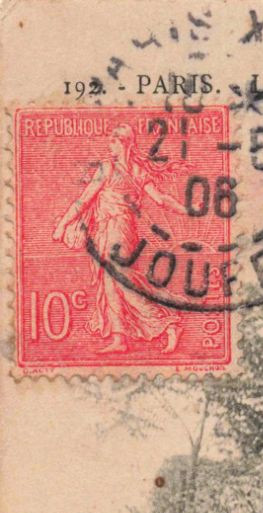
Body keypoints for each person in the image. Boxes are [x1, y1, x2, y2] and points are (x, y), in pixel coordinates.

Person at [51, 124, 183, 355]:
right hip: (111, 230)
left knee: (121, 280)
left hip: (117, 231)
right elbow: (160, 199)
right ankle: (119, 337)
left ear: (124, 143)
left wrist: (63, 224)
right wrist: (186, 209)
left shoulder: (109, 168)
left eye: (113, 141)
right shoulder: (136, 171)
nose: (109, 145)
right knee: (112, 281)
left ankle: (168, 322)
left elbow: (84, 201)